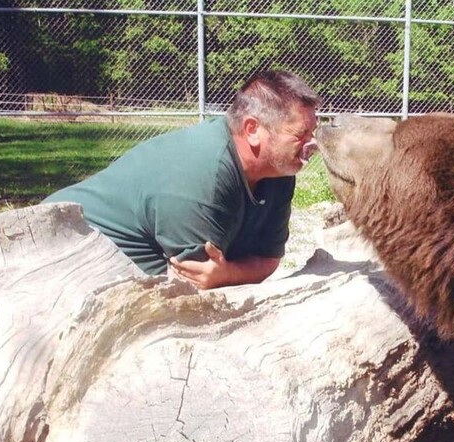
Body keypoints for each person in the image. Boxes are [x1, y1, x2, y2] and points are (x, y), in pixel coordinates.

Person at [44, 70, 321, 289]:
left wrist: (228, 273)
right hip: (57, 252)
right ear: (252, 129)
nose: (313, 143)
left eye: (313, 132)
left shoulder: (279, 173)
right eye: (301, 134)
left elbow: (268, 260)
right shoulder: (208, 173)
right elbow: (192, 286)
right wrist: (225, 276)